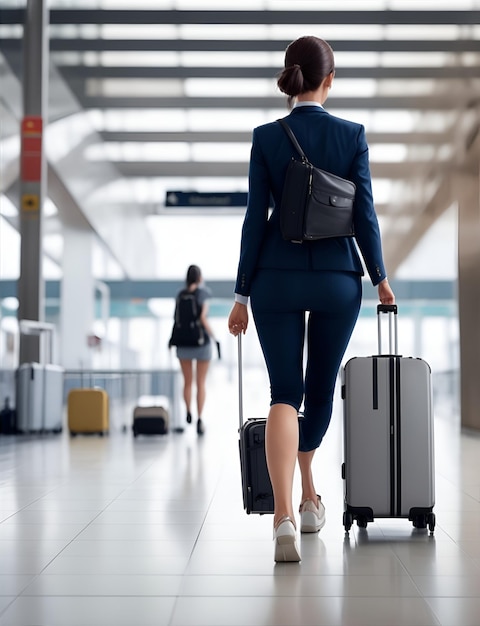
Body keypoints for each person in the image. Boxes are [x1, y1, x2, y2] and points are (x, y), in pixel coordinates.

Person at [228, 36, 395, 562]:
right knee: (319, 390)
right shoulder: (351, 136)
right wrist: (380, 277)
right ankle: (307, 493)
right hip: (336, 278)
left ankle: (283, 515)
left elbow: (256, 220)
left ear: (290, 77)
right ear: (329, 79)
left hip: (274, 278)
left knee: (285, 393)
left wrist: (240, 294)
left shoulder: (266, 137)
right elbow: (363, 214)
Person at [174, 265, 215, 435]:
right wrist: (213, 335)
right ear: (199, 277)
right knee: (200, 383)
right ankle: (199, 419)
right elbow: (202, 318)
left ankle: (188, 411)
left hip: (182, 344)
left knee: (187, 382)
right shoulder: (203, 293)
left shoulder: (180, 295)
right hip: (201, 343)